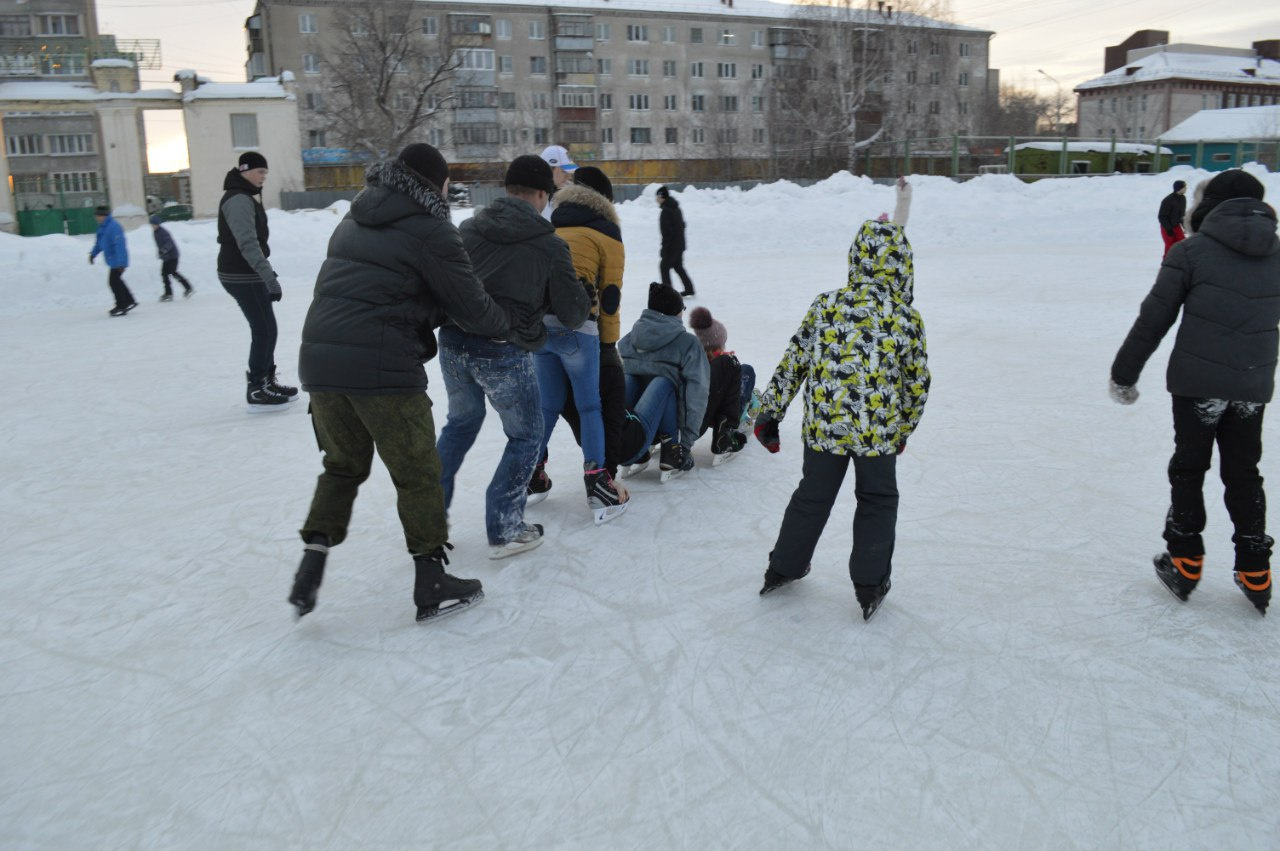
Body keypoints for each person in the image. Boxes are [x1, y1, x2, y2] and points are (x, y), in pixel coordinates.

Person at [289, 143, 510, 623]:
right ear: (438, 185)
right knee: (417, 473)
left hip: (320, 365)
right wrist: (511, 324)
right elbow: (473, 307)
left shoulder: (352, 218)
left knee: (342, 466)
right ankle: (431, 579)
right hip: (383, 368)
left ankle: (313, 558)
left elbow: (377, 290)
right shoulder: (432, 230)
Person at [754, 178, 929, 621]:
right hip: (877, 434)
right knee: (877, 500)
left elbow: (793, 361)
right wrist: (902, 429)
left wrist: (769, 413)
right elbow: (917, 384)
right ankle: (870, 583)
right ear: (903, 265)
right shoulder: (906, 319)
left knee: (813, 496)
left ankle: (784, 567)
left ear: (856, 259)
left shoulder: (826, 306)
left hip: (825, 428)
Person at [1110, 169, 1280, 615]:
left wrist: (1124, 373)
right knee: (1244, 473)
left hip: (1197, 385)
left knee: (1189, 468)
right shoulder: (1276, 252)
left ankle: (1185, 561)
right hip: (1251, 383)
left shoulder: (1191, 252)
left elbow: (1154, 319)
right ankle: (1255, 570)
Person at [437, 154, 590, 558]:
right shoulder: (548, 244)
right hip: (503, 350)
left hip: (452, 343)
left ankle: (429, 520)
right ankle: (505, 526)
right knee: (526, 435)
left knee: (459, 425)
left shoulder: (468, 229)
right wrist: (579, 290)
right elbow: (573, 314)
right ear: (542, 194)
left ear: (507, 190)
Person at [532, 165, 629, 524]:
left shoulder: (550, 224)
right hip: (579, 328)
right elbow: (610, 297)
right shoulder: (607, 234)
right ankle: (598, 483)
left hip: (541, 328)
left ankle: (531, 473)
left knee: (547, 405)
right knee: (590, 407)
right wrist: (608, 345)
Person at [217, 151, 297, 410]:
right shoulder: (239, 200)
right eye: (260, 172)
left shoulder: (244, 196)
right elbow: (248, 244)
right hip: (241, 274)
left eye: (265, 173)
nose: (264, 177)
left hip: (245, 272)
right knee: (264, 329)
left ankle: (265, 381)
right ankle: (257, 387)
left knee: (266, 328)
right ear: (245, 170)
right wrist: (268, 277)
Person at [617, 283, 710, 475]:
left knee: (630, 378)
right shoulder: (687, 344)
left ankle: (638, 448)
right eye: (682, 309)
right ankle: (672, 449)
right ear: (675, 312)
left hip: (614, 442)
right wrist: (686, 443)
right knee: (664, 382)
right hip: (641, 437)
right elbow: (697, 394)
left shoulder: (627, 341)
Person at [688, 305, 754, 458]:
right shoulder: (725, 364)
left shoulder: (693, 361)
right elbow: (728, 400)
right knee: (747, 371)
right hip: (715, 416)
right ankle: (733, 423)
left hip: (699, 415)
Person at [89, 205, 136, 317]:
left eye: (98, 216)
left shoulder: (113, 227)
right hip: (113, 260)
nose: (96, 218)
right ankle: (129, 301)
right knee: (117, 281)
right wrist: (93, 254)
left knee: (113, 282)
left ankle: (121, 305)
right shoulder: (102, 228)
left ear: (103, 216)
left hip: (118, 260)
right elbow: (99, 244)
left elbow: (120, 245)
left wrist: (121, 263)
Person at [656, 185, 694, 297]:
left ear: (661, 197)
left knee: (664, 267)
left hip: (672, 246)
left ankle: (668, 294)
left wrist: (665, 249)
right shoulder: (676, 208)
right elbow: (682, 226)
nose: (656, 199)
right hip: (680, 245)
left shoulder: (666, 212)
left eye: (657, 196)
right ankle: (689, 289)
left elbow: (667, 233)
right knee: (678, 266)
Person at [150, 215, 193, 301]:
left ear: (158, 224)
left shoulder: (163, 232)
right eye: (152, 224)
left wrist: (164, 250)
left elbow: (169, 243)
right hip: (166, 257)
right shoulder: (155, 232)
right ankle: (168, 293)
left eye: (154, 224)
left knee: (173, 272)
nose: (153, 226)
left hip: (173, 256)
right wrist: (160, 252)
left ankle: (188, 288)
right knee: (164, 274)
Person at [538, 144, 577, 221]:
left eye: (569, 172)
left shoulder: (572, 198)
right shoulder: (534, 200)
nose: (569, 177)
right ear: (549, 170)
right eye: (564, 171)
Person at [1158, 179, 1188, 257]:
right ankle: (1166, 266)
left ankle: (1180, 265)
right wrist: (1168, 229)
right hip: (1167, 227)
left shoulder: (1183, 199)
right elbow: (1161, 216)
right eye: (1184, 187)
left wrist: (1185, 226)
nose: (1186, 189)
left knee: (1183, 245)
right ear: (1179, 188)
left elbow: (1182, 214)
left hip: (1176, 226)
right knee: (1170, 248)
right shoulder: (1168, 200)